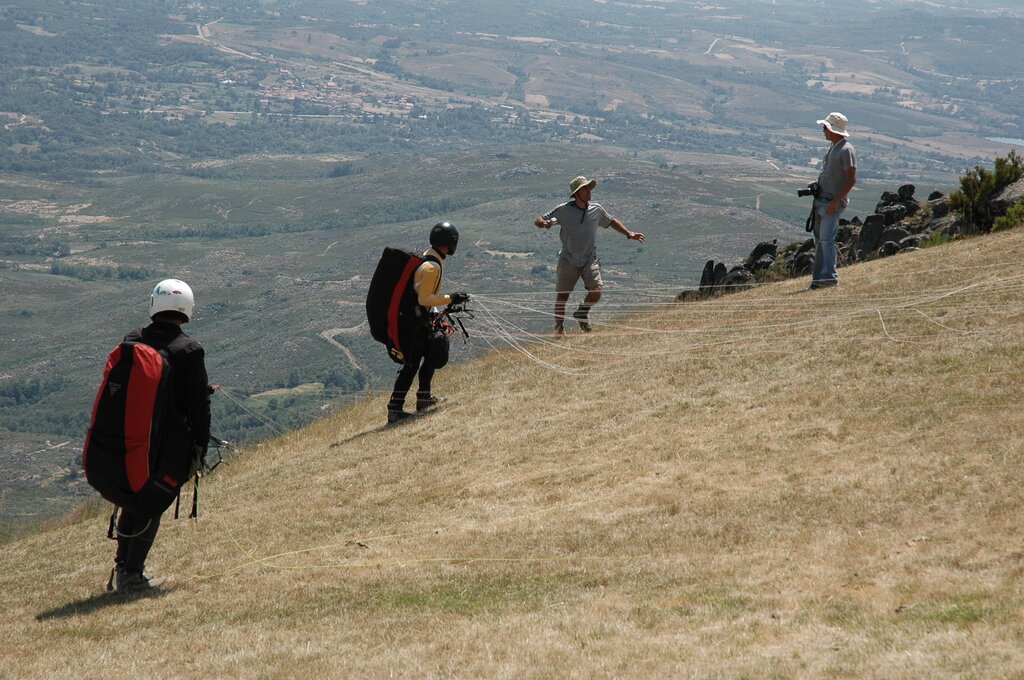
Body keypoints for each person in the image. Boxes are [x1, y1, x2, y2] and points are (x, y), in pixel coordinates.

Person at [110, 279, 211, 592]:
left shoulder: (133, 339)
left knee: (134, 501)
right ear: (187, 310)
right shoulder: (189, 350)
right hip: (165, 448)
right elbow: (198, 405)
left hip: (127, 439)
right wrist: (201, 446)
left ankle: (125, 567)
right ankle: (131, 575)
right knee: (150, 505)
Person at [534, 175, 645, 334]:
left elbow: (611, 221)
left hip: (589, 258)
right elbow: (539, 219)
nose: (589, 191)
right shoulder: (563, 210)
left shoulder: (596, 209)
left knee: (596, 291)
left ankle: (582, 312)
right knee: (562, 297)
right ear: (577, 193)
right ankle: (559, 330)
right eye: (585, 188)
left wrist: (629, 233)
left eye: (589, 188)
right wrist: (543, 224)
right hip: (568, 258)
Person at [387, 221, 469, 424]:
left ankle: (423, 398)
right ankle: (395, 410)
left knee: (433, 348)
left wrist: (437, 315)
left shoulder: (429, 257)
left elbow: (423, 299)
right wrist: (451, 298)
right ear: (450, 243)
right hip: (412, 323)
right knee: (412, 363)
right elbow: (425, 299)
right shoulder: (432, 267)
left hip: (417, 319)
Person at [809, 112, 857, 289]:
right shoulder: (835, 148)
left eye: (825, 127)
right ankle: (819, 278)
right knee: (820, 240)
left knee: (826, 241)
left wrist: (836, 202)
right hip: (823, 200)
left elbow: (851, 179)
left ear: (832, 129)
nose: (823, 130)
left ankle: (828, 277)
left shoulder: (846, 150)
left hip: (831, 202)